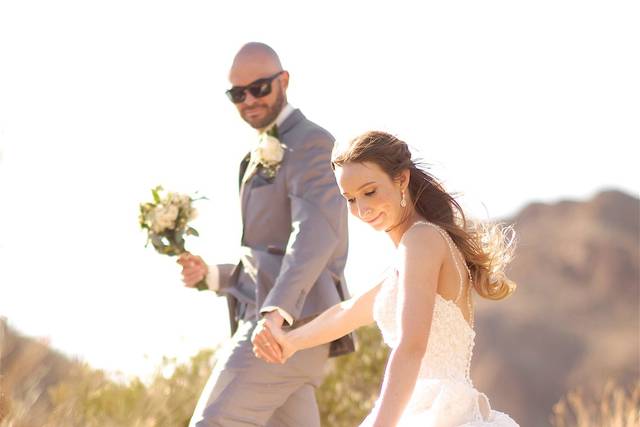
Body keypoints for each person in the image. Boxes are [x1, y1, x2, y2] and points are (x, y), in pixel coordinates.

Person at [253, 131, 520, 426]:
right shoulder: (413, 250)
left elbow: (411, 346)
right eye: (350, 199)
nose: (361, 209)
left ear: (401, 180)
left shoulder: (421, 240)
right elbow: (348, 312)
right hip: (427, 405)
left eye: (370, 192)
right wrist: (288, 341)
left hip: (440, 412)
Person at [177, 42, 353, 427]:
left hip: (287, 323)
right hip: (282, 327)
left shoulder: (311, 141)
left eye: (259, 88)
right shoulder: (253, 154)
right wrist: (212, 275)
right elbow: (265, 255)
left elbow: (316, 233)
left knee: (214, 421)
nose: (249, 100)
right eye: (237, 94)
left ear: (283, 81)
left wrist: (276, 313)